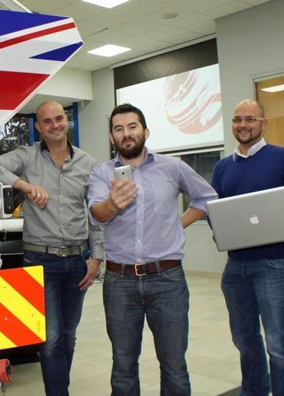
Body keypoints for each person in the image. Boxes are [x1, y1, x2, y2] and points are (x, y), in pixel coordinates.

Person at [87, 103, 217, 395]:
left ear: (145, 131)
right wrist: (113, 203)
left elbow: (206, 198)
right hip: (120, 282)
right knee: (123, 367)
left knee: (174, 367)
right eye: (119, 129)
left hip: (167, 280)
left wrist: (177, 224)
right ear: (112, 137)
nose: (126, 134)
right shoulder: (101, 173)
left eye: (132, 127)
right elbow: (96, 214)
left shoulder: (172, 167)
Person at [0, 100, 103, 396]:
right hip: (40, 261)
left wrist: (97, 256)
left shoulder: (87, 163)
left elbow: (95, 214)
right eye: (48, 121)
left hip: (78, 260)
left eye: (60, 118)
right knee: (50, 338)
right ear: (39, 127)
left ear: (66, 121)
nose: (56, 124)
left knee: (69, 336)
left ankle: (61, 389)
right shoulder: (28, 156)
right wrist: (23, 184)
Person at [211, 99, 284, 396]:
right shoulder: (223, 167)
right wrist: (218, 228)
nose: (243, 125)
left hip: (275, 265)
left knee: (280, 345)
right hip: (234, 269)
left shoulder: (283, 157)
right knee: (246, 342)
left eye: (250, 119)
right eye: (237, 119)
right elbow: (215, 210)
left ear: (263, 123)